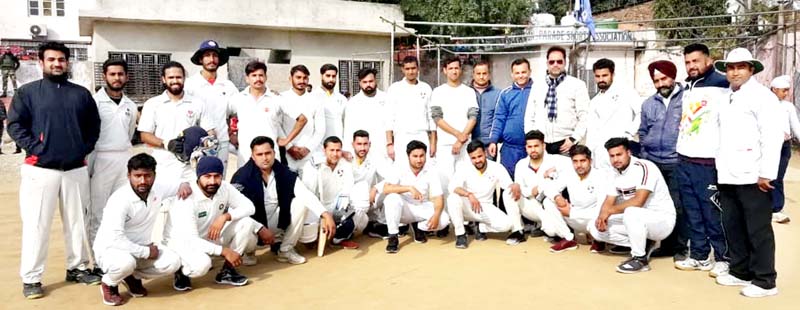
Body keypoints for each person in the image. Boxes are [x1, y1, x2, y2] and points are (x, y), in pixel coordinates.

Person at [7, 41, 101, 299]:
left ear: (67, 62)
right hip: (40, 170)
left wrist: (83, 148)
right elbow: (15, 126)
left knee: (77, 223)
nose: (57, 63)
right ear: (41, 62)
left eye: (61, 59)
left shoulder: (81, 94)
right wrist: (36, 148)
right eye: (51, 59)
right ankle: (32, 278)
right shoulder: (27, 93)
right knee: (37, 225)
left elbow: (94, 126)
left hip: (75, 169)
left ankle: (78, 267)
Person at [712, 48, 782, 297]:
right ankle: (740, 271)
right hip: (728, 172)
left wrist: (767, 173)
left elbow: (772, 136)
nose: (735, 72)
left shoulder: (763, 97)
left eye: (740, 67)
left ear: (751, 69)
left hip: (753, 174)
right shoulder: (725, 97)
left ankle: (765, 280)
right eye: (730, 68)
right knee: (733, 225)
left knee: (757, 228)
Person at [164, 156, 277, 290]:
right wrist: (224, 251)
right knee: (202, 266)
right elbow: (191, 240)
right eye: (207, 176)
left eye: (217, 176)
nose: (212, 181)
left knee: (246, 223)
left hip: (208, 236)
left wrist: (225, 216)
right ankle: (182, 269)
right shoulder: (186, 198)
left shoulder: (224, 188)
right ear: (198, 176)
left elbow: (249, 207)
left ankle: (227, 272)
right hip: (182, 243)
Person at [93, 153, 182, 306]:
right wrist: (146, 252)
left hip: (141, 250)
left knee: (172, 262)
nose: (143, 181)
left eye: (147, 176)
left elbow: (181, 184)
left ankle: (130, 276)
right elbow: (115, 238)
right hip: (111, 250)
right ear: (129, 175)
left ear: (154, 175)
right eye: (137, 176)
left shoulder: (158, 188)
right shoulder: (119, 199)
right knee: (125, 264)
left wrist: (184, 186)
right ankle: (109, 283)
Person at [231, 136, 336, 265]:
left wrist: (325, 214)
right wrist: (259, 229)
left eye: (268, 153)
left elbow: (305, 193)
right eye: (260, 154)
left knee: (301, 202)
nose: (265, 158)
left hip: (275, 224)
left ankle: (285, 250)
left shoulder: (283, 171)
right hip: (253, 228)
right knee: (244, 224)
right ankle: (248, 252)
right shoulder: (242, 177)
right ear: (253, 156)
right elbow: (234, 211)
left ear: (274, 153)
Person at [673, 43, 729, 272]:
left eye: (695, 61)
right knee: (692, 211)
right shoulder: (688, 86)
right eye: (687, 62)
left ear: (708, 60)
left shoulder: (722, 84)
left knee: (711, 211)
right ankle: (699, 255)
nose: (691, 66)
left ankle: (724, 258)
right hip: (685, 157)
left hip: (708, 161)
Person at [589, 138, 675, 274]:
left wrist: (609, 211)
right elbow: (609, 200)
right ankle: (643, 244)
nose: (616, 159)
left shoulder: (645, 167)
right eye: (612, 156)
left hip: (661, 220)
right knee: (595, 228)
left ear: (628, 152)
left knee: (631, 212)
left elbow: (638, 201)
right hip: (637, 219)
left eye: (619, 154)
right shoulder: (614, 172)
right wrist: (602, 216)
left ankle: (640, 259)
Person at [86, 59, 139, 259]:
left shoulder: (131, 105)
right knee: (98, 212)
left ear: (126, 76)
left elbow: (129, 132)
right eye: (112, 74)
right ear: (105, 76)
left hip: (124, 159)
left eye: (120, 74)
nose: (117, 78)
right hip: (100, 158)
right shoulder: (93, 102)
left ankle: (121, 253)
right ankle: (99, 259)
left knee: (122, 208)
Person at [638, 60, 688, 264]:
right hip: (653, 163)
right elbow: (642, 131)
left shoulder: (687, 99)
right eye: (656, 80)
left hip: (676, 161)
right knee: (655, 205)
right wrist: (645, 156)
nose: (661, 84)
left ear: (673, 77)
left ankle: (680, 247)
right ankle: (663, 245)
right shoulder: (648, 104)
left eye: (664, 78)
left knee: (678, 206)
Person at [138, 61, 216, 182]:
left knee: (193, 199)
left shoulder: (198, 103)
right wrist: (167, 143)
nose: (175, 80)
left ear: (184, 78)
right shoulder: (152, 104)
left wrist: (205, 147)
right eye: (171, 77)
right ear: (163, 79)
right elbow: (144, 135)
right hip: (163, 165)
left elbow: (210, 132)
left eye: (178, 77)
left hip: (191, 167)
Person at [227, 60, 307, 168]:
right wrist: (231, 134)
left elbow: (302, 119)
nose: (258, 79)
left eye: (261, 75)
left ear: (266, 77)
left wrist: (286, 141)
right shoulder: (238, 99)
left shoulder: (276, 98)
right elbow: (224, 115)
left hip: (270, 158)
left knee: (272, 184)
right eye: (254, 75)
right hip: (245, 158)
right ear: (247, 78)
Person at [504, 130, 573, 245]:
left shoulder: (557, 160)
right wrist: (532, 190)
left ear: (543, 146)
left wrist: (555, 173)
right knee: (508, 192)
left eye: (536, 146)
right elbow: (520, 189)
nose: (533, 149)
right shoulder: (521, 164)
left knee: (552, 232)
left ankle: (548, 228)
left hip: (550, 206)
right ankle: (518, 231)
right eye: (530, 146)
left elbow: (578, 164)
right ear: (526, 148)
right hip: (531, 206)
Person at [382, 140, 451, 253]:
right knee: (391, 198)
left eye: (422, 156)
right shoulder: (399, 167)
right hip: (404, 208)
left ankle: (419, 227)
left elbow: (438, 197)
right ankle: (393, 236)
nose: (419, 160)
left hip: (421, 206)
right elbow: (386, 189)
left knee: (444, 220)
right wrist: (409, 188)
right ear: (408, 156)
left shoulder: (431, 170)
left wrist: (436, 215)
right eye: (415, 156)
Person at [447, 140, 515, 249]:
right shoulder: (464, 167)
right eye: (473, 158)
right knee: (452, 198)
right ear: (469, 158)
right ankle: (460, 234)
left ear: (485, 153)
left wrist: (515, 186)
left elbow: (508, 186)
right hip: (467, 205)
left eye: (480, 156)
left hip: (485, 206)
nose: (477, 160)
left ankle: (481, 227)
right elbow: (452, 187)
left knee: (507, 225)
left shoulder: (497, 167)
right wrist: (469, 194)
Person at [525, 46, 590, 155]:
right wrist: (532, 139)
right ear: (547, 63)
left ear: (565, 62)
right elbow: (529, 115)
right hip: (542, 144)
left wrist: (574, 139)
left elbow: (585, 116)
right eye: (552, 62)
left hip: (566, 144)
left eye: (559, 61)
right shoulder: (537, 86)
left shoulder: (577, 85)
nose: (555, 64)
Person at [185, 40, 239, 172]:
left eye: (215, 56)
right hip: (197, 144)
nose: (212, 59)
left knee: (219, 179)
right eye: (207, 55)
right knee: (197, 180)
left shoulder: (228, 85)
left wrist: (232, 132)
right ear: (200, 59)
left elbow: (238, 109)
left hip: (222, 142)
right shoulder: (189, 85)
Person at [542, 144, 607, 253]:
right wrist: (557, 197)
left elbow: (602, 207)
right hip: (572, 215)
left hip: (592, 219)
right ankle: (568, 239)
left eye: (582, 161)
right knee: (548, 202)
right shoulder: (569, 173)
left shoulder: (600, 176)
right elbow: (549, 188)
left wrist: (572, 213)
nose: (579, 165)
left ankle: (598, 240)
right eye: (575, 161)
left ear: (590, 161)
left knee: (601, 213)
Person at [430, 57, 478, 196]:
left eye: (456, 68)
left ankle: (465, 215)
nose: (454, 71)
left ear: (461, 70)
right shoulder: (438, 92)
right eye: (450, 68)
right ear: (445, 70)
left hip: (465, 144)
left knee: (465, 180)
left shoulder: (469, 92)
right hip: (445, 144)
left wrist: (462, 139)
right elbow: (437, 117)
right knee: (445, 181)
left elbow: (473, 116)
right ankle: (446, 215)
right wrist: (458, 134)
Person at [301, 136, 360, 249]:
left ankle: (339, 238)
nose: (335, 154)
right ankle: (315, 236)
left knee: (359, 217)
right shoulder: (313, 165)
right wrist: (323, 213)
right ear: (324, 150)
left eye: (338, 150)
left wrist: (341, 207)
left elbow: (349, 185)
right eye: (331, 150)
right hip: (316, 206)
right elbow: (308, 193)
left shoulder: (345, 164)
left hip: (336, 205)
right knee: (309, 240)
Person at [585, 58, 641, 171]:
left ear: (612, 74)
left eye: (605, 75)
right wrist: (588, 153)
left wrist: (629, 133)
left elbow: (642, 113)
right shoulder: (594, 101)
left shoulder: (626, 92)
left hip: (619, 150)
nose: (601, 79)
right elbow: (591, 131)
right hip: (599, 154)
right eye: (597, 76)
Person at [385, 56, 435, 166]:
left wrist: (433, 142)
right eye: (407, 69)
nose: (411, 72)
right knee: (402, 168)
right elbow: (389, 117)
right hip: (402, 136)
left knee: (424, 168)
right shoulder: (395, 88)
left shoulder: (426, 88)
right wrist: (389, 144)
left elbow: (431, 116)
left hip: (421, 134)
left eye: (413, 68)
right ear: (402, 70)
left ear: (418, 69)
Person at [488, 58, 533, 176]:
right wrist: (493, 140)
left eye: (523, 72)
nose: (521, 76)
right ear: (512, 74)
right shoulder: (505, 94)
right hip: (510, 149)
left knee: (530, 183)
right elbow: (499, 118)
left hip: (531, 147)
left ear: (529, 72)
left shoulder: (538, 91)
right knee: (508, 183)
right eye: (517, 73)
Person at [280, 65, 325, 173]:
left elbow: (320, 130)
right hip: (287, 153)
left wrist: (307, 148)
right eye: (298, 77)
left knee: (310, 187)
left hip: (309, 154)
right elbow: (278, 126)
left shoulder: (316, 100)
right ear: (290, 78)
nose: (302, 81)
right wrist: (289, 147)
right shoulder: (281, 98)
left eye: (305, 78)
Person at [348, 130, 393, 238]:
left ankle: (380, 224)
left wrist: (375, 188)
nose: (362, 148)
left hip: (370, 199)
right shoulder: (346, 158)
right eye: (359, 144)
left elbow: (392, 176)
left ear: (370, 144)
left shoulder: (375, 157)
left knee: (391, 191)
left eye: (365, 144)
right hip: (351, 202)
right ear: (353, 144)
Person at [342, 67, 390, 162]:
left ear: (376, 81)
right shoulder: (353, 103)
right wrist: (348, 150)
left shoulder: (386, 98)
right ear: (359, 83)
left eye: (371, 81)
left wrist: (390, 145)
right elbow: (348, 130)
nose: (368, 85)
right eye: (364, 82)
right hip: (362, 151)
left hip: (384, 149)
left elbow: (391, 123)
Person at [769, 75, 799, 224]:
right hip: (768, 145)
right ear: (774, 89)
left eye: (787, 90)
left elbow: (796, 126)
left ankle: (776, 209)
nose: (786, 93)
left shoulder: (788, 107)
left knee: (778, 177)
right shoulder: (765, 104)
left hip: (784, 147)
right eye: (783, 90)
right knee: (767, 176)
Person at [470, 60, 501, 155]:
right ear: (473, 74)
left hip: (489, 146)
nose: (481, 76)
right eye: (478, 73)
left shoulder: (498, 94)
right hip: (469, 144)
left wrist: (494, 141)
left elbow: (499, 119)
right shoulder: (466, 93)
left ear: (489, 74)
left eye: (484, 73)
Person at [317, 64, 348, 140]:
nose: (331, 79)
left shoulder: (342, 99)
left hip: (338, 145)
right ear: (321, 76)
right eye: (328, 76)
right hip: (318, 146)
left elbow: (346, 123)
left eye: (333, 76)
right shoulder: (312, 97)